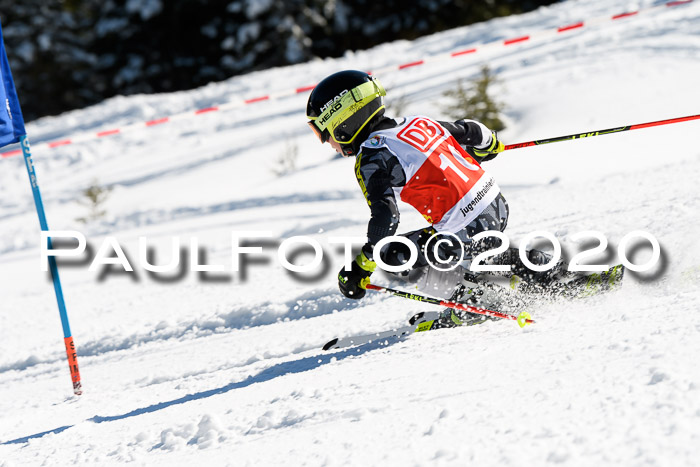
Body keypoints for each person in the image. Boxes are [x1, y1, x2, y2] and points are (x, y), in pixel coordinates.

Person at [306, 70, 546, 325]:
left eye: (323, 132)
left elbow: (386, 217)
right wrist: (490, 144)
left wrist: (363, 264)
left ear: (343, 123)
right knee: (479, 246)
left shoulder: (372, 155)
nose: (325, 141)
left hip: (467, 228)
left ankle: (471, 302)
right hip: (496, 203)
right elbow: (472, 130)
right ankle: (545, 271)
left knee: (392, 255)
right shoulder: (416, 122)